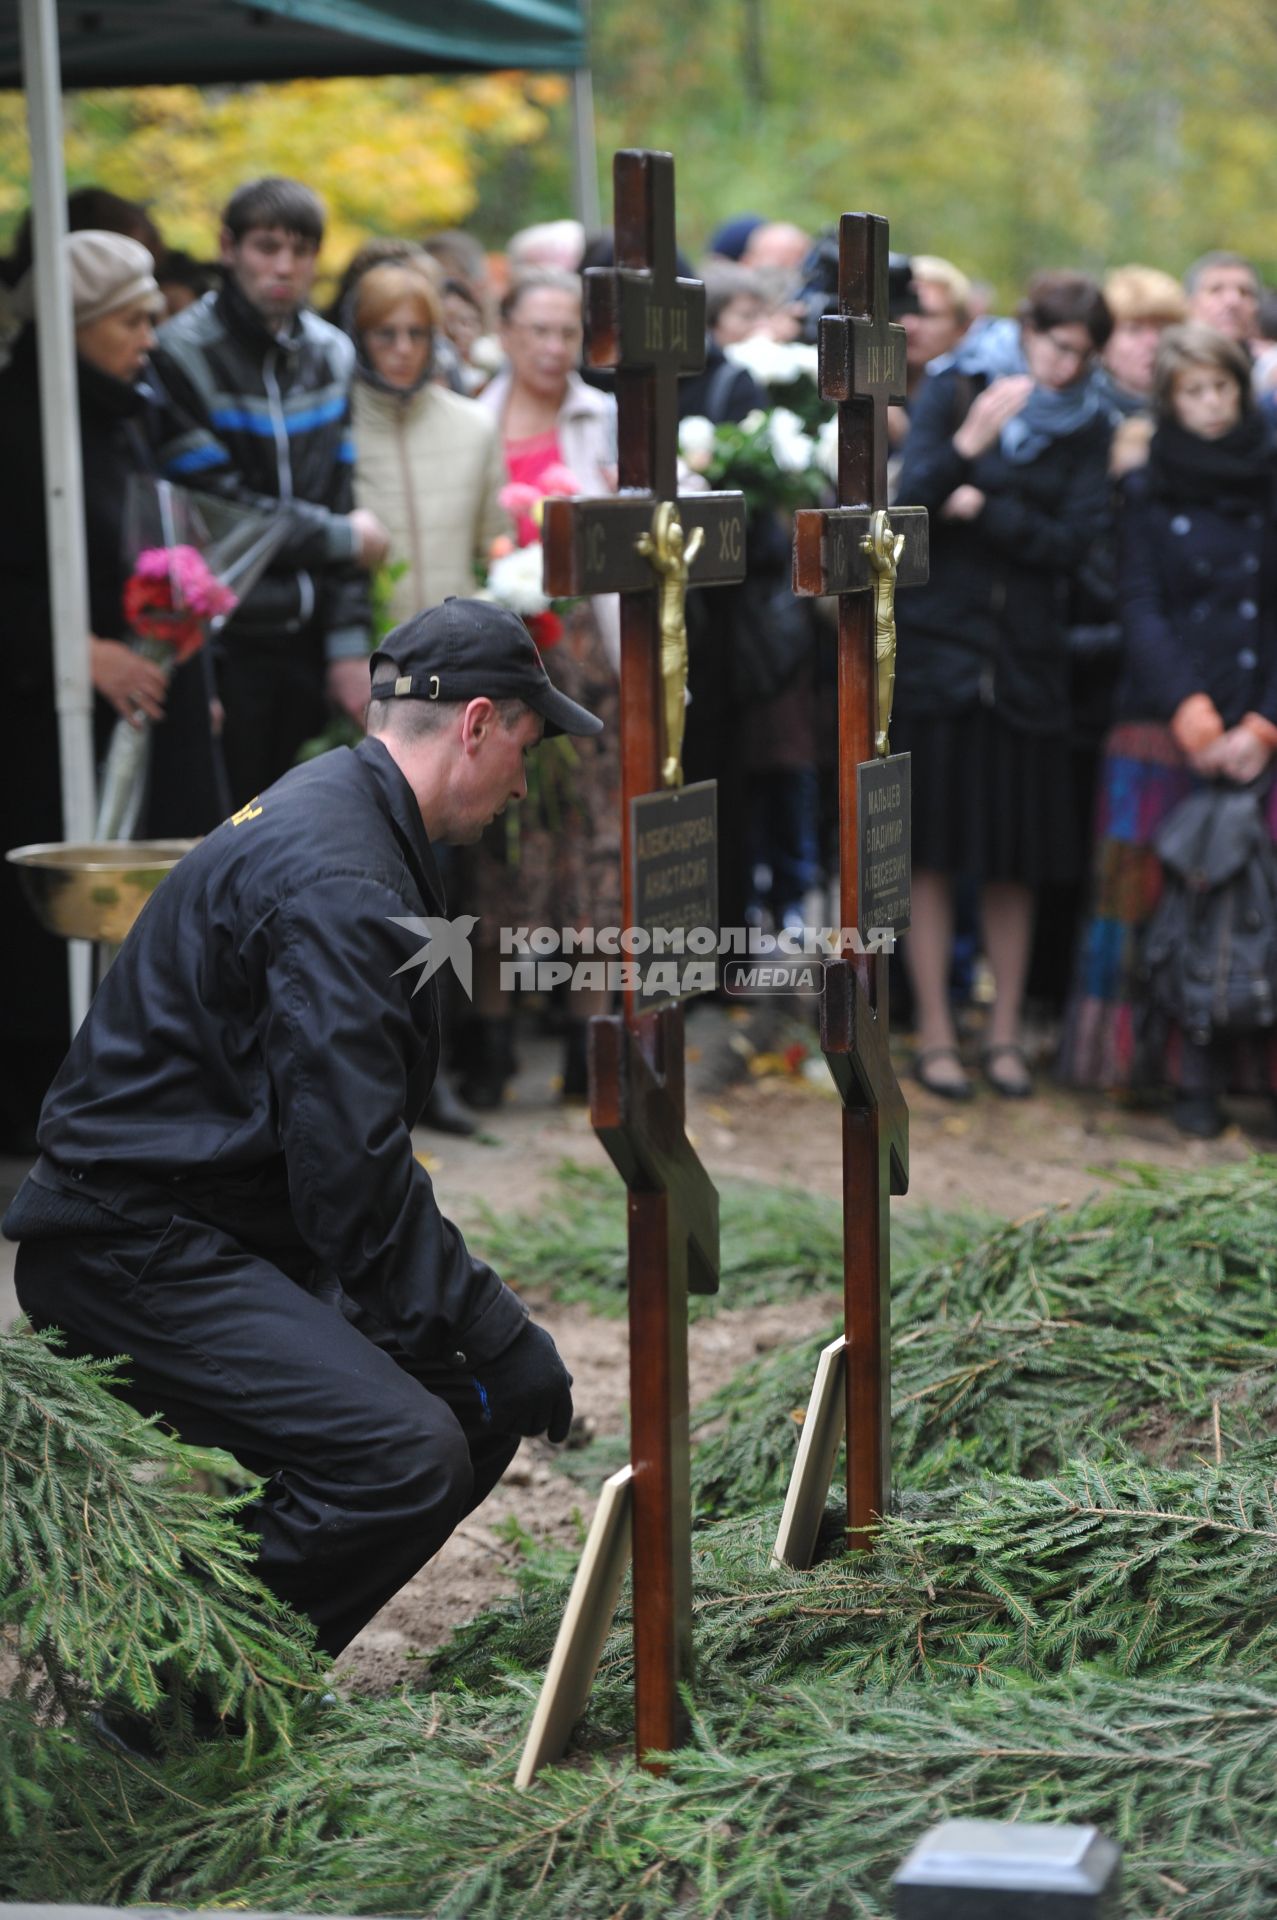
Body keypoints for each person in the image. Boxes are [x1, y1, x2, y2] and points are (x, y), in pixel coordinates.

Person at [3, 599, 593, 1710]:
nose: (528, 779)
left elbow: (345, 1163)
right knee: (401, 1459)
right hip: (132, 1247)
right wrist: (496, 1325)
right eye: (528, 742)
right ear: (475, 724)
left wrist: (478, 1346)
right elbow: (355, 1185)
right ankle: (166, 1710)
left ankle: (214, 1656)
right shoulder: (345, 879)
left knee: (466, 1410)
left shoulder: (352, 814)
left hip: (213, 1226)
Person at [0, 231, 222, 1151]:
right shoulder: (18, 420)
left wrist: (183, 645)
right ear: (76, 325)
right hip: (45, 723)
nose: (150, 336)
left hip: (141, 705)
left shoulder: (128, 406)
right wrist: (73, 652)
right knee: (44, 930)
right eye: (130, 320)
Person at [893, 270, 1115, 1100]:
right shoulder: (956, 385)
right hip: (938, 656)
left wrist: (982, 507)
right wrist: (969, 447)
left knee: (1013, 858)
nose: (1063, 370)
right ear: (1027, 329)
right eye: (1056, 347)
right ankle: (938, 1033)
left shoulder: (1088, 422)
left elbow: (1075, 544)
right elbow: (910, 501)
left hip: (1025, 664)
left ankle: (1005, 1030)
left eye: (1080, 356)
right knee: (933, 854)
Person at [1060, 325, 1277, 1136]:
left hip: (1260, 713)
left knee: (1259, 901)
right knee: (1154, 899)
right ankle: (1168, 1072)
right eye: (1193, 391)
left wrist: (1263, 721)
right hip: (1165, 717)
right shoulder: (1147, 487)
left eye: (1222, 388)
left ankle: (1257, 1071)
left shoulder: (1269, 475)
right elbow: (1140, 602)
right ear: (1170, 400)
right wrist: (1188, 708)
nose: (1211, 405)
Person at [148, 176, 389, 806]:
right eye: (266, 246)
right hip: (222, 645)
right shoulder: (179, 353)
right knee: (222, 844)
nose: (284, 266)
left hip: (310, 645)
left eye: (301, 250)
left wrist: (346, 648)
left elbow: (342, 495)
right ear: (228, 247)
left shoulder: (333, 354)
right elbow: (216, 511)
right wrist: (340, 539)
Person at [469, 268, 622, 1105]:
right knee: (505, 841)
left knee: (593, 845)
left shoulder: (602, 417)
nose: (554, 348)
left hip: (587, 651)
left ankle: (584, 1044)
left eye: (568, 333)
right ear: (505, 330)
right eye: (538, 330)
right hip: (503, 649)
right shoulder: (473, 420)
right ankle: (490, 1045)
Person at [348, 258, 508, 621]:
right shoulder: (335, 426)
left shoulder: (476, 425)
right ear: (360, 337)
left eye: (417, 333)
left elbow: (495, 548)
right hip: (369, 652)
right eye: (386, 334)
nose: (403, 348)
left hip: (459, 649)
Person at [1184, 251, 1260, 351]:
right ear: (1190, 303)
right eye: (1216, 290)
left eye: (1244, 292)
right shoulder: (1166, 362)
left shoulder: (1269, 363)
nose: (1233, 301)